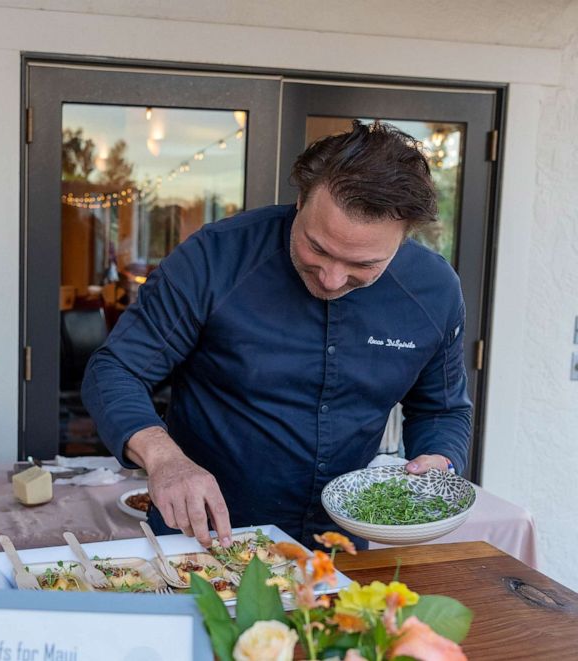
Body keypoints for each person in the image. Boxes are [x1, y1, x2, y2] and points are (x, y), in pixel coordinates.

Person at [82, 121, 471, 550]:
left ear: (404, 237)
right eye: (317, 248)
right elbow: (116, 369)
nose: (331, 277)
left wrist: (438, 462)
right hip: (203, 536)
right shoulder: (215, 257)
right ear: (301, 199)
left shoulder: (434, 291)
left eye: (362, 264)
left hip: (337, 546)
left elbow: (442, 410)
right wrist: (163, 458)